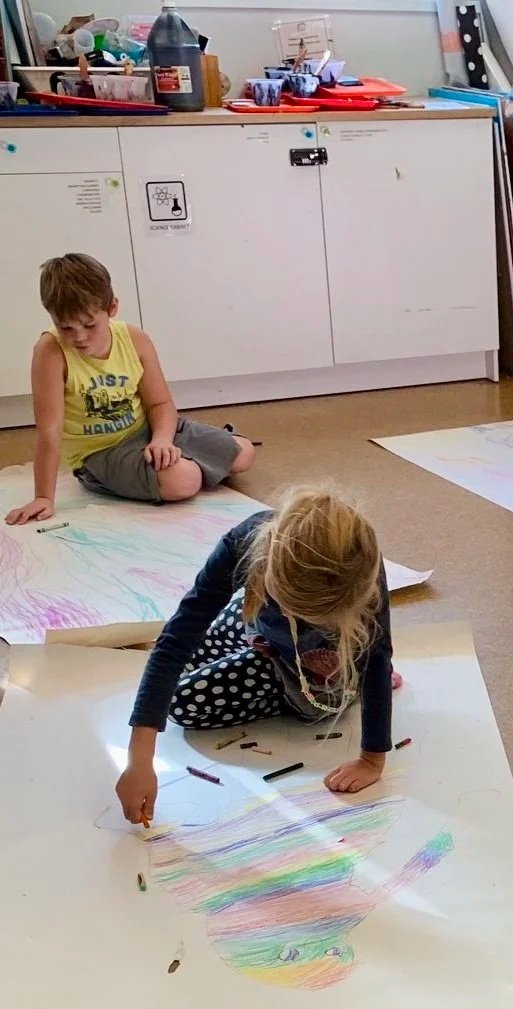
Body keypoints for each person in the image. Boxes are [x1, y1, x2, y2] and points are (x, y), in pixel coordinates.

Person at [116, 486, 398, 824]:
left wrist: (372, 760)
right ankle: (263, 642)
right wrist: (139, 761)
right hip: (263, 631)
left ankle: (329, 688)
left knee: (183, 702)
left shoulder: (359, 566)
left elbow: (377, 658)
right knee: (191, 652)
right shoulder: (245, 543)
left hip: (318, 669)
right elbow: (176, 639)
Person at [4, 253, 255, 525]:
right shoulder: (50, 352)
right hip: (101, 453)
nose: (79, 337)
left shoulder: (135, 339)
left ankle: (178, 460)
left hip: (147, 431)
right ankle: (176, 466)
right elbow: (49, 431)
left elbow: (160, 404)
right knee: (184, 480)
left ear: (112, 308)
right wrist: (44, 497)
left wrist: (162, 439)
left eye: (90, 325)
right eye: (65, 327)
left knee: (244, 453)